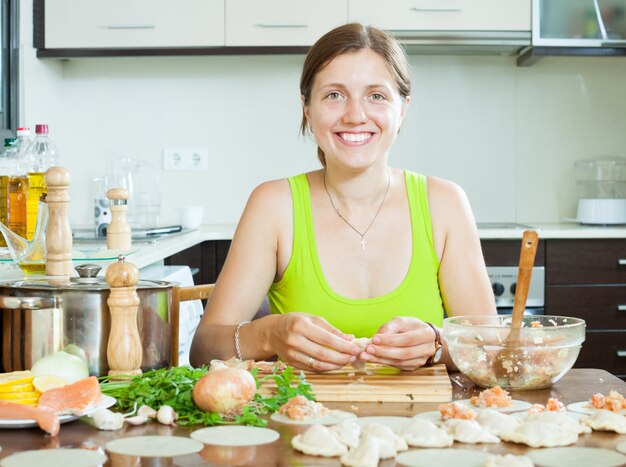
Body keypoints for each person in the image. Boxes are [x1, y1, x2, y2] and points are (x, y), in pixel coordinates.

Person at [190, 23, 496, 372]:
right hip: (301, 422)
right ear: (307, 108)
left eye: (376, 96)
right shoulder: (273, 205)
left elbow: (490, 350)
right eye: (334, 95)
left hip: (424, 423)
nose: (354, 116)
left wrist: (438, 344)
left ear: (403, 108)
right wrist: (269, 334)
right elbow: (203, 350)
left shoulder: (445, 203)